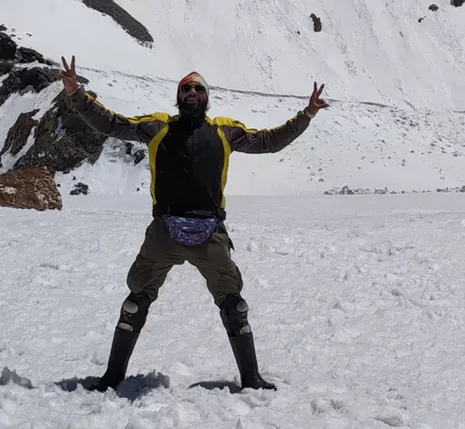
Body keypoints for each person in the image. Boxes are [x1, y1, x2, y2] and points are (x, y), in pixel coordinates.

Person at [57, 56, 329, 392]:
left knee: (234, 304)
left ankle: (252, 379)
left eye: (198, 88)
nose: (191, 92)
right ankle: (113, 376)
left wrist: (307, 115)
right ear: (178, 96)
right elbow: (112, 123)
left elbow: (271, 141)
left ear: (206, 97)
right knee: (135, 301)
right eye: (185, 88)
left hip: (210, 233)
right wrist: (75, 94)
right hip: (164, 231)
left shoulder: (225, 132)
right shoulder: (157, 127)